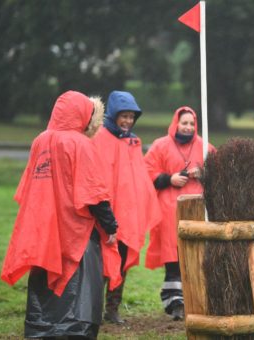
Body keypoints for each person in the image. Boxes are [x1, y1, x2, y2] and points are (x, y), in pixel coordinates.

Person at [0, 90, 122, 339]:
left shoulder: (40, 141)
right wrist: (110, 226)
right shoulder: (80, 144)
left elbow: (28, 189)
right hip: (76, 234)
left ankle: (41, 329)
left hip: (44, 233)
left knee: (43, 291)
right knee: (78, 295)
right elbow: (95, 194)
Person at [92, 91, 162, 324]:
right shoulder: (99, 138)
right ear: (113, 115)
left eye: (132, 116)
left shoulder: (133, 141)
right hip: (104, 214)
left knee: (121, 264)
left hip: (127, 215)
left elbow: (137, 177)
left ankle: (112, 309)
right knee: (101, 264)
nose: (128, 121)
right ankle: (92, 310)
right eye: (124, 116)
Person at [144, 106, 215, 321]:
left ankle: (197, 299)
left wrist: (203, 173)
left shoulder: (205, 147)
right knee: (173, 255)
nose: (188, 127)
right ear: (176, 123)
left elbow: (219, 170)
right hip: (169, 210)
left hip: (198, 208)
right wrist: (169, 179)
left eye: (192, 123)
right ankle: (174, 301)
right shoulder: (160, 145)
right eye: (184, 122)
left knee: (197, 254)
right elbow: (146, 172)